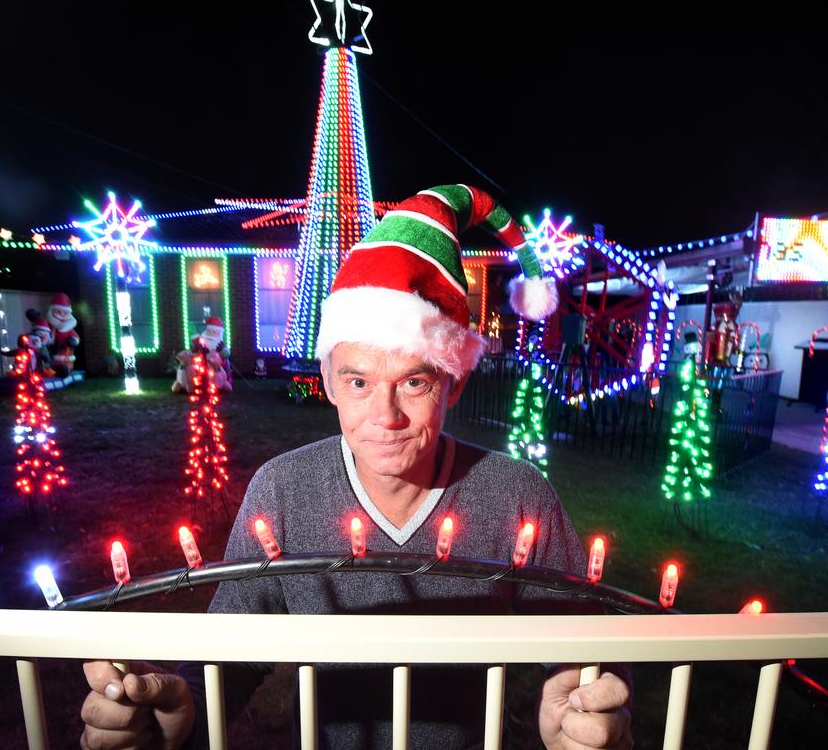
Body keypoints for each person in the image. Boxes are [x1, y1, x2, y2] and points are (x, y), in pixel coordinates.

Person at [81, 185, 631, 749]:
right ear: (328, 383)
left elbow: (580, 649)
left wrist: (587, 708)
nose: (385, 416)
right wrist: (179, 711)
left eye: (414, 382)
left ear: (455, 384)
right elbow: (232, 656)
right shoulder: (284, 491)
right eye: (359, 381)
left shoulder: (516, 495)